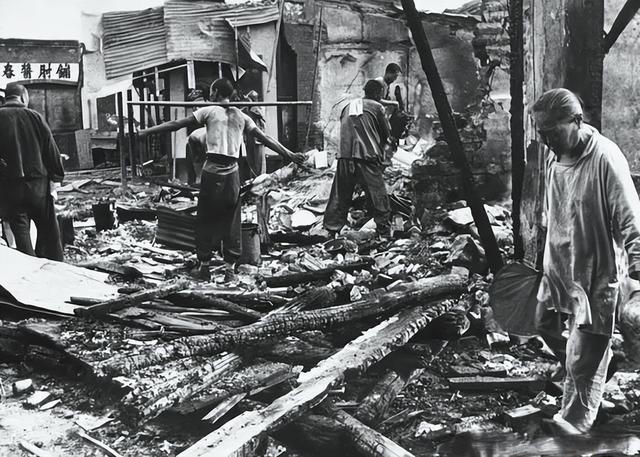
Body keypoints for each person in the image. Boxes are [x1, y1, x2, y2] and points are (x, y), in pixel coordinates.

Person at [533, 88, 640, 433]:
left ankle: (574, 427)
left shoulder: (605, 158)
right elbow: (552, 212)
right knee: (543, 325)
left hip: (595, 274)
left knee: (581, 358)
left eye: (552, 132)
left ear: (577, 121)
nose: (546, 140)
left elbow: (631, 220)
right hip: (559, 269)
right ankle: (598, 362)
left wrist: (638, 273)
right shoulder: (553, 156)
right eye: (541, 133)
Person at [139, 78, 305, 282]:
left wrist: (147, 131)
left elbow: (176, 124)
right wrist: (290, 154)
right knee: (231, 220)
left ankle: (205, 267)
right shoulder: (242, 116)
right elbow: (266, 139)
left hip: (212, 171)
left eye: (211, 91)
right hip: (232, 173)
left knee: (205, 218)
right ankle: (229, 271)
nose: (210, 95)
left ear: (216, 92)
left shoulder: (209, 111)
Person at [0, 83, 65, 261]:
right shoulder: (35, 117)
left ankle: (30, 267)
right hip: (38, 186)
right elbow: (51, 150)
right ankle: (55, 266)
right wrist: (57, 176)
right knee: (49, 231)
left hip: (10, 188)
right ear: (23, 97)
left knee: (21, 235)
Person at [323, 79, 392, 238]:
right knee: (378, 193)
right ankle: (383, 231)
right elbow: (386, 134)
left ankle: (331, 229)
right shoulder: (377, 107)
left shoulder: (348, 106)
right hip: (366, 156)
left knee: (340, 194)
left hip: (345, 155)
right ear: (378, 93)